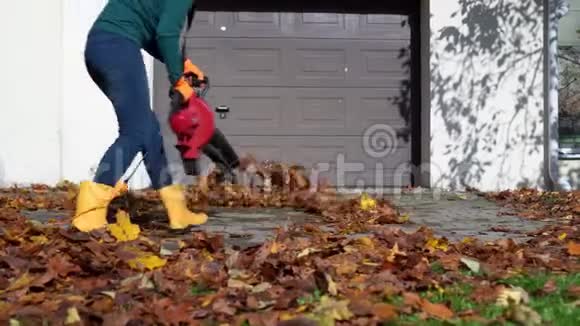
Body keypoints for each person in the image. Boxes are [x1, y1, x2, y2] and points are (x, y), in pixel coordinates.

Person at [73, 0, 208, 232]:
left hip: (103, 47)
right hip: (117, 48)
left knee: (149, 130)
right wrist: (178, 79)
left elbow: (150, 33)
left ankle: (177, 211)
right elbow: (166, 33)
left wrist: (182, 64)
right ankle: (88, 213)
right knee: (135, 132)